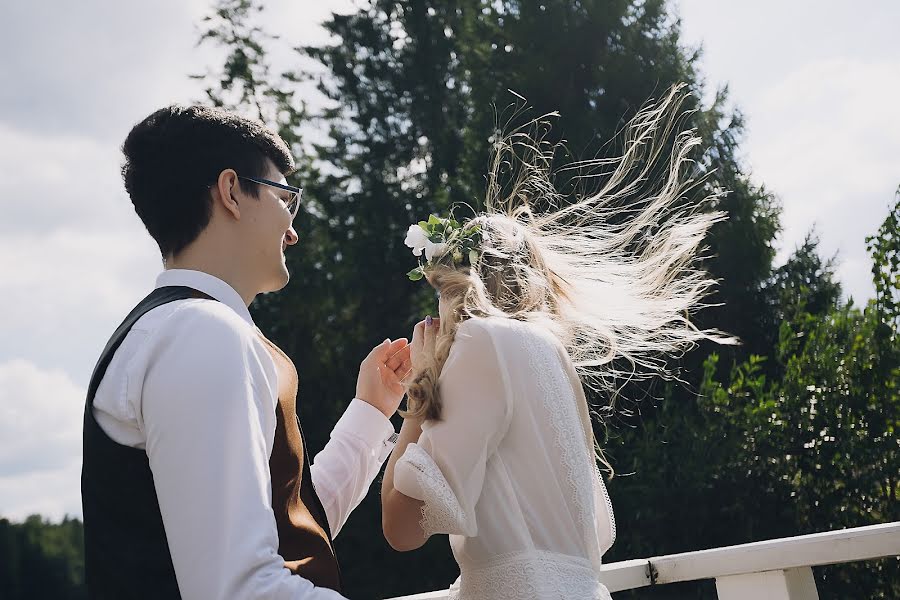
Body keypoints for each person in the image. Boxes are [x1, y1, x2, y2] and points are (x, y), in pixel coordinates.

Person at [380, 86, 735, 599]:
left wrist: (419, 389)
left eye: (438, 291)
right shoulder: (552, 355)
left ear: (458, 285)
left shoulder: (482, 342)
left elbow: (403, 528)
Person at [81, 105, 411, 599]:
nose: (293, 231)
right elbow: (239, 589)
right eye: (286, 199)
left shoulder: (187, 329)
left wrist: (371, 411)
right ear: (232, 191)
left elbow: (289, 531)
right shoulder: (200, 333)